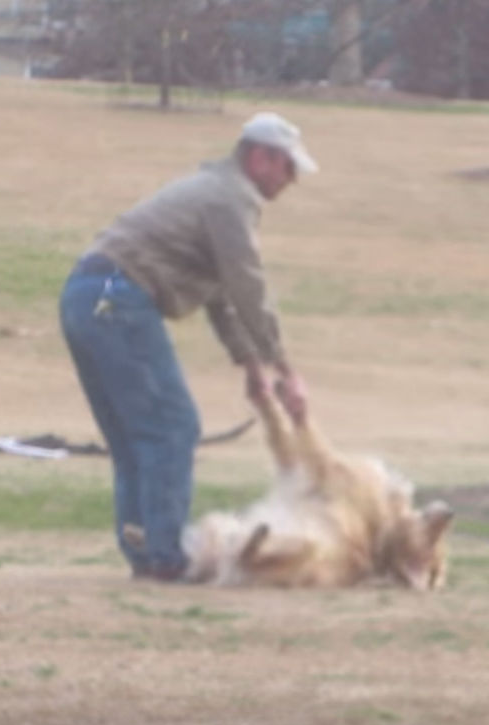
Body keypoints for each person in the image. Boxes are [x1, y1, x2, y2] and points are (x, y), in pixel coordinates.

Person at [59, 112, 316, 582]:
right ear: (260, 158)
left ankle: (144, 552)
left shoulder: (212, 191)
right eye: (288, 167)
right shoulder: (231, 197)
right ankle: (165, 556)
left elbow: (219, 295)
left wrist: (251, 365)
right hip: (116, 297)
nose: (292, 179)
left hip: (85, 296)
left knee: (135, 437)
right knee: (172, 426)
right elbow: (246, 285)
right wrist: (286, 368)